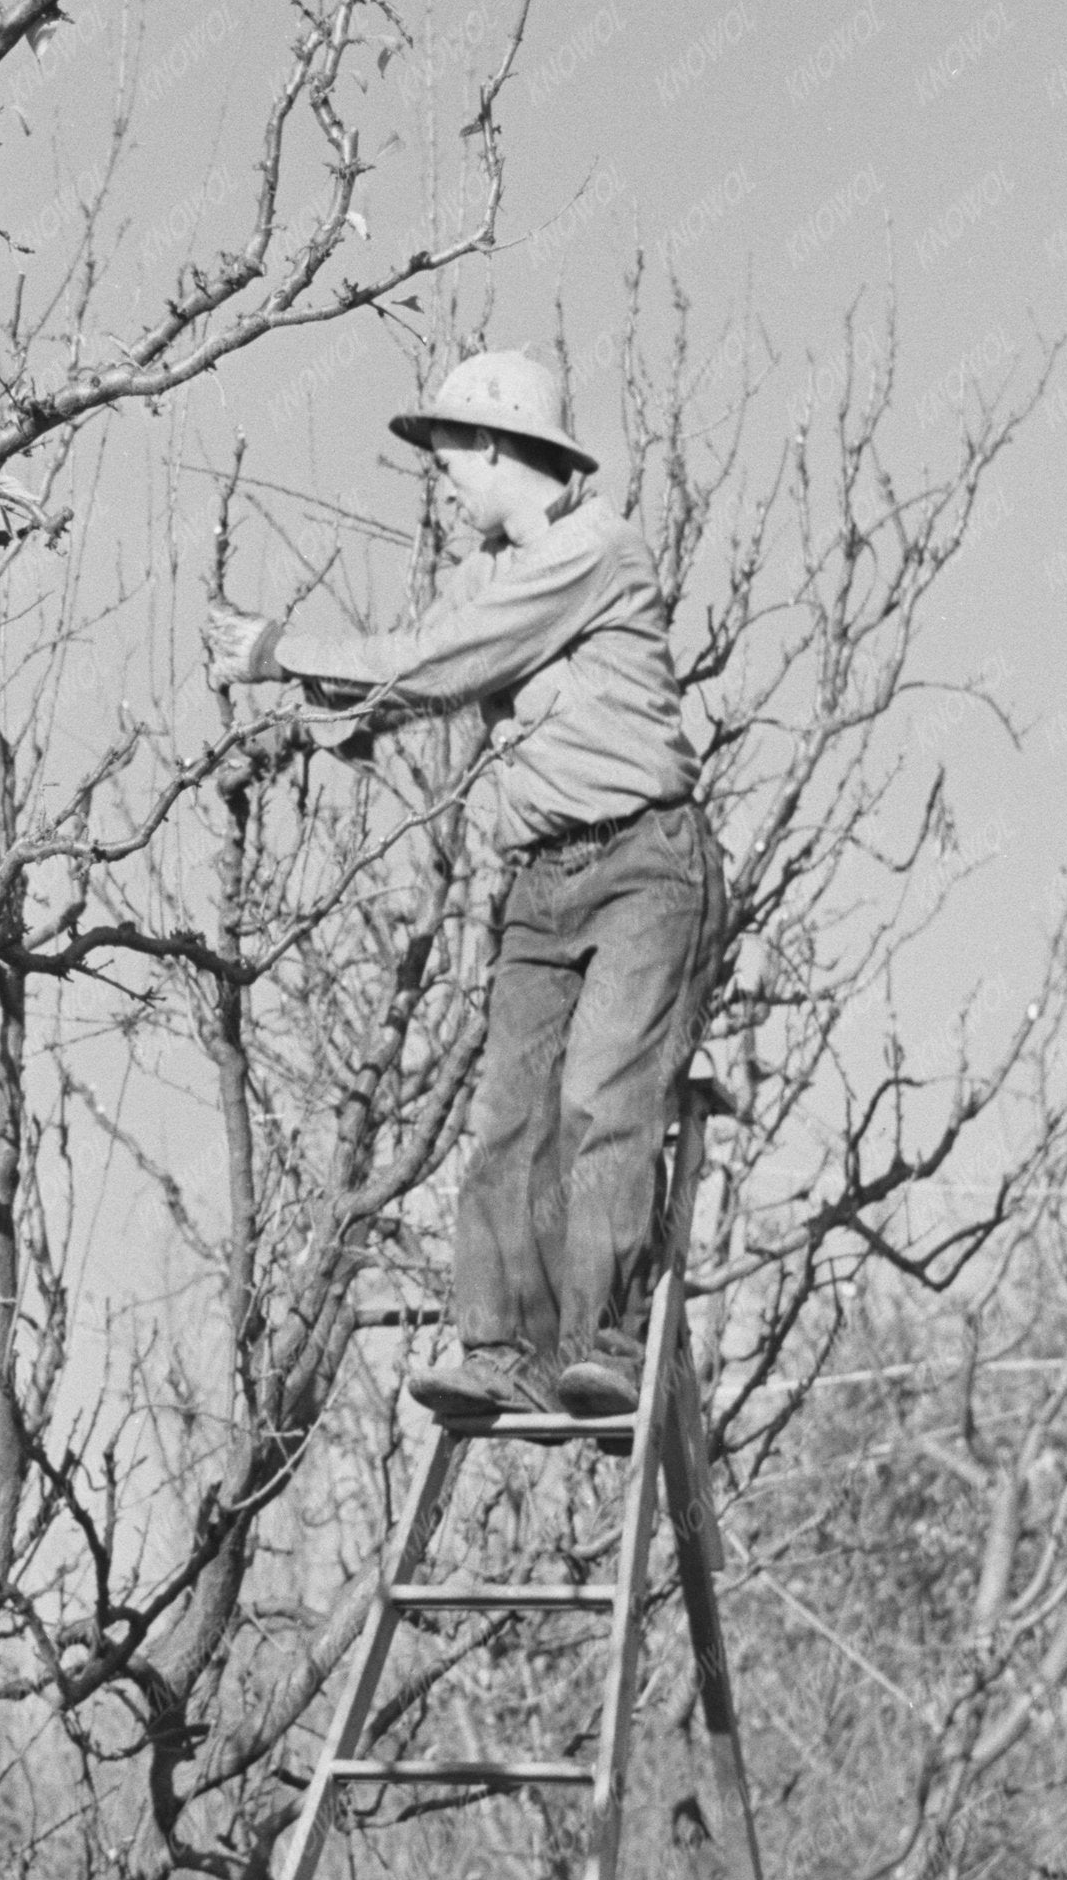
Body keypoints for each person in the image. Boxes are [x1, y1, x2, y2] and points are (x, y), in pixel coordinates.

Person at [213, 343, 721, 1424]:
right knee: (506, 1121)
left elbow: (447, 659)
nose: (442, 489)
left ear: (495, 448)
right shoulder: (490, 580)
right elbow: (421, 675)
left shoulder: (596, 550)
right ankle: (501, 1349)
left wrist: (277, 649)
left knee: (597, 1099)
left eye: (450, 463)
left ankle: (603, 1343)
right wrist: (303, 718)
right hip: (538, 881)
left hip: (642, 866)